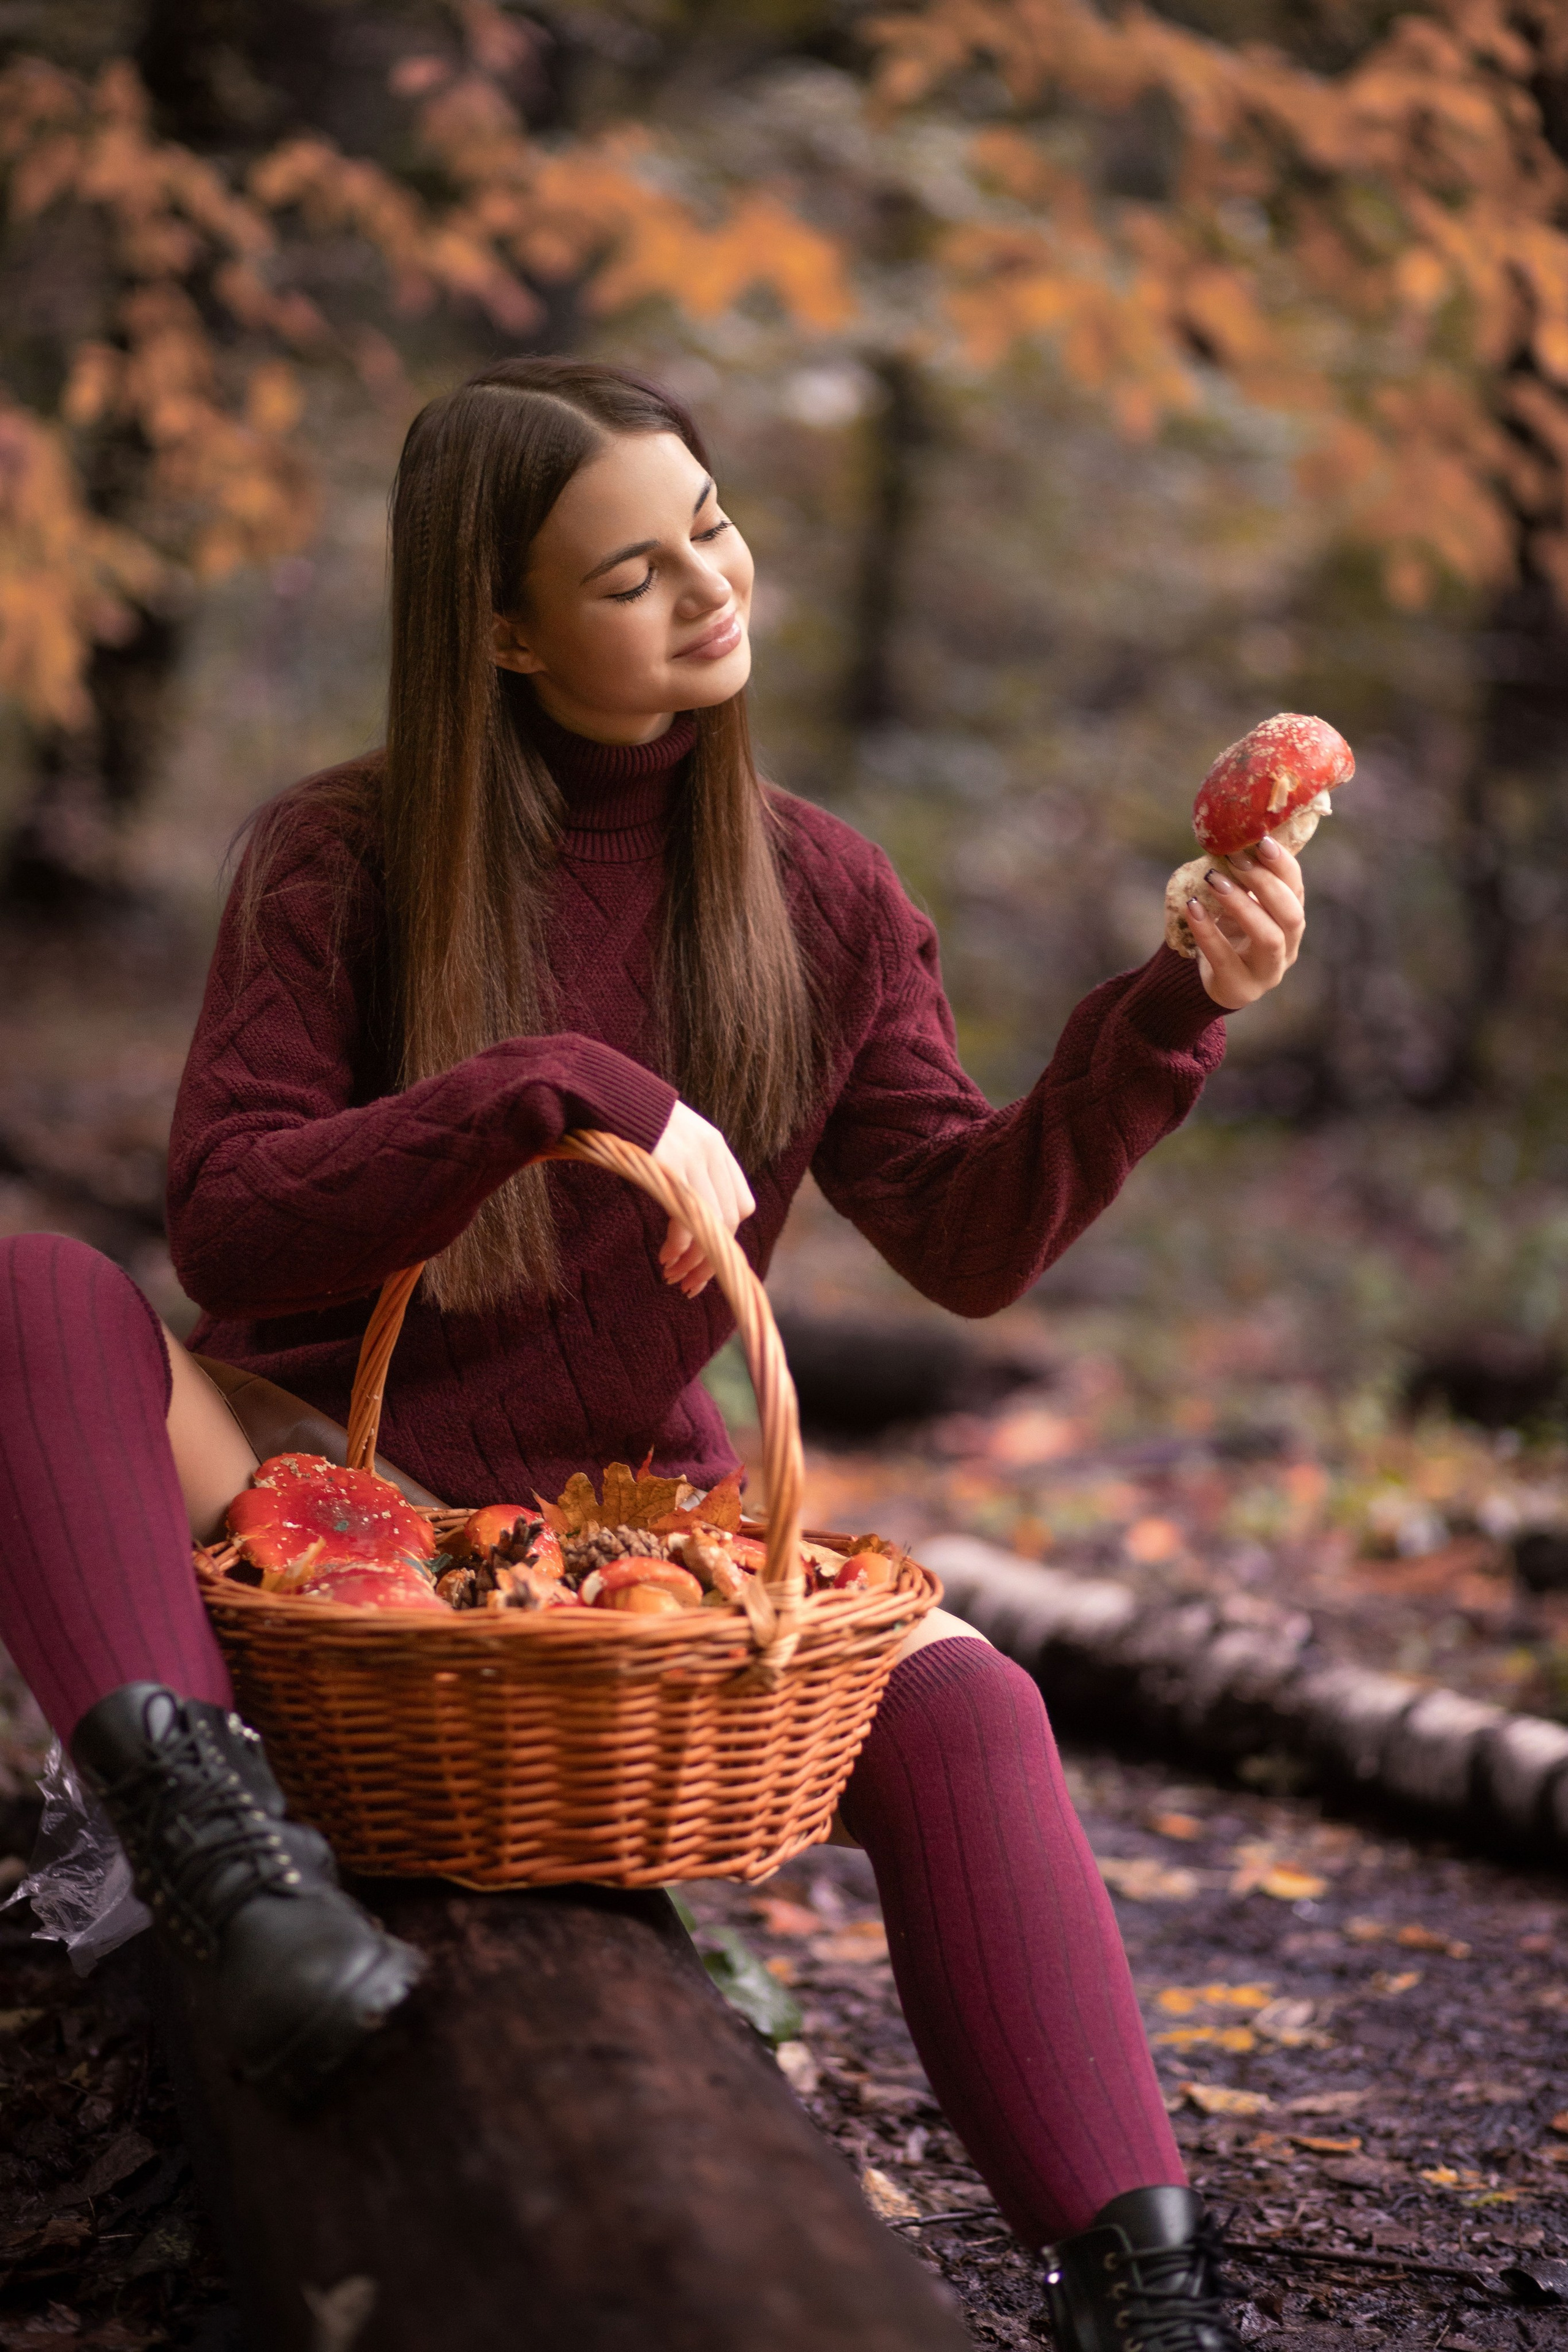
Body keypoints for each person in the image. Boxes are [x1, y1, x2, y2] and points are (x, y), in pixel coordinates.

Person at [0, 359, 1305, 2344]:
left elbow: (963, 1236)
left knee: (969, 1708)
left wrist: (1166, 1015)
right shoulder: (337, 858)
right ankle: (231, 1883)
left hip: (624, 1536)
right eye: (632, 569)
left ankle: (1148, 2289)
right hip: (300, 1481)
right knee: (27, 1296)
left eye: (708, 523)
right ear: (504, 629)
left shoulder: (827, 894)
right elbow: (233, 1220)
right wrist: (533, 1085)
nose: (709, 585)